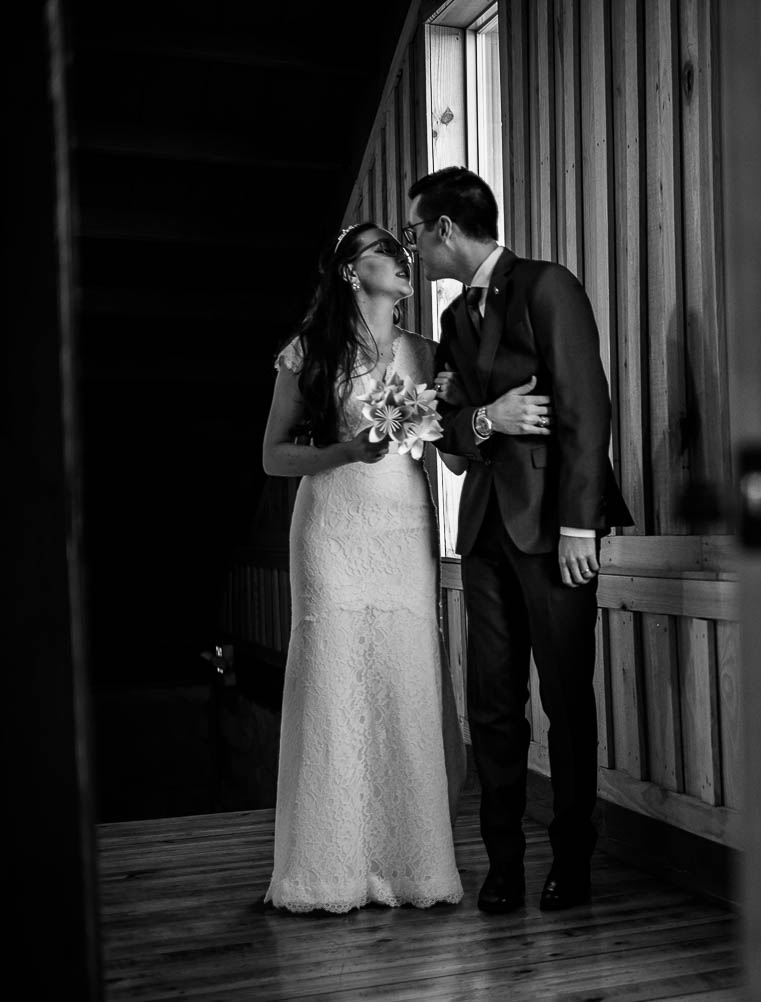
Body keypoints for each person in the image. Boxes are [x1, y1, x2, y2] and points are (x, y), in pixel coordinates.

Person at [259, 222, 541, 912]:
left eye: (404, 250)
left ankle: (412, 865)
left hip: (405, 525)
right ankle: (328, 868)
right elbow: (273, 456)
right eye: (388, 252)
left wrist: (481, 421)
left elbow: (447, 456)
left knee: (404, 675)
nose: (403, 259)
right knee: (334, 676)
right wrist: (344, 452)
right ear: (354, 272)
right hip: (332, 525)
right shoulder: (308, 352)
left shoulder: (427, 352)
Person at [405, 166, 633, 914]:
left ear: (445, 229)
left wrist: (578, 522)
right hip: (482, 536)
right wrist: (486, 418)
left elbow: (584, 405)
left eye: (416, 232)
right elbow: (454, 442)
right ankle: (503, 866)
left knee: (566, 701)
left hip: (553, 533)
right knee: (493, 705)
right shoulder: (449, 325)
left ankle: (573, 862)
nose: (414, 248)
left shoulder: (547, 286)